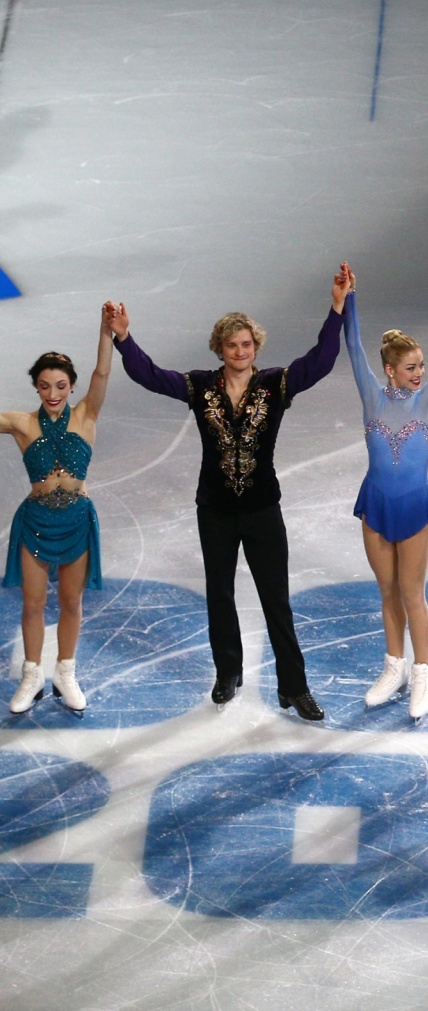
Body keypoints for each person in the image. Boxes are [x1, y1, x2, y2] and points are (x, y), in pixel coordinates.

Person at [109, 264, 354, 721]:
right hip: (216, 510)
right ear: (220, 349)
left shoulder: (275, 384)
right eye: (231, 344)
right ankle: (228, 673)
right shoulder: (200, 387)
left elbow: (320, 360)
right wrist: (125, 338)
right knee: (219, 594)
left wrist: (337, 306)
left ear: (255, 347)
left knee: (275, 598)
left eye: (246, 344)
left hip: (262, 509)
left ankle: (293, 686)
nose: (239, 351)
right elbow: (149, 375)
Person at [344, 280, 428, 720]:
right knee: (388, 592)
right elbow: (353, 344)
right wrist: (351, 298)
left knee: (413, 594)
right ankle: (393, 667)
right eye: (411, 367)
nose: (419, 373)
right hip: (375, 505)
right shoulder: (371, 396)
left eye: (421, 366)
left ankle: (422, 672)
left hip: (413, 506)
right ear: (391, 370)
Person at [2, 307, 116, 714]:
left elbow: (102, 375)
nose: (53, 393)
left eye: (61, 385)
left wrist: (106, 332)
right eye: (46, 386)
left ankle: (65, 673)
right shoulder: (21, 423)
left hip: (76, 522)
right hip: (35, 523)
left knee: (71, 602)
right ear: (36, 386)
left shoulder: (86, 415)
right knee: (32, 604)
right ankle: (31, 676)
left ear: (71, 387)